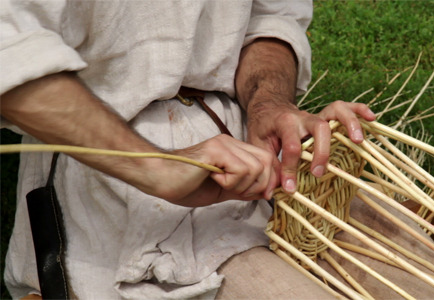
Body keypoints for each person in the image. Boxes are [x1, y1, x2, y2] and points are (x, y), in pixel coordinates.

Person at [0, 0, 377, 298]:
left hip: (246, 141)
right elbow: (9, 47)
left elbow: (268, 16)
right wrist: (155, 167)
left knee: (417, 275)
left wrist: (269, 105)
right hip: (104, 157)